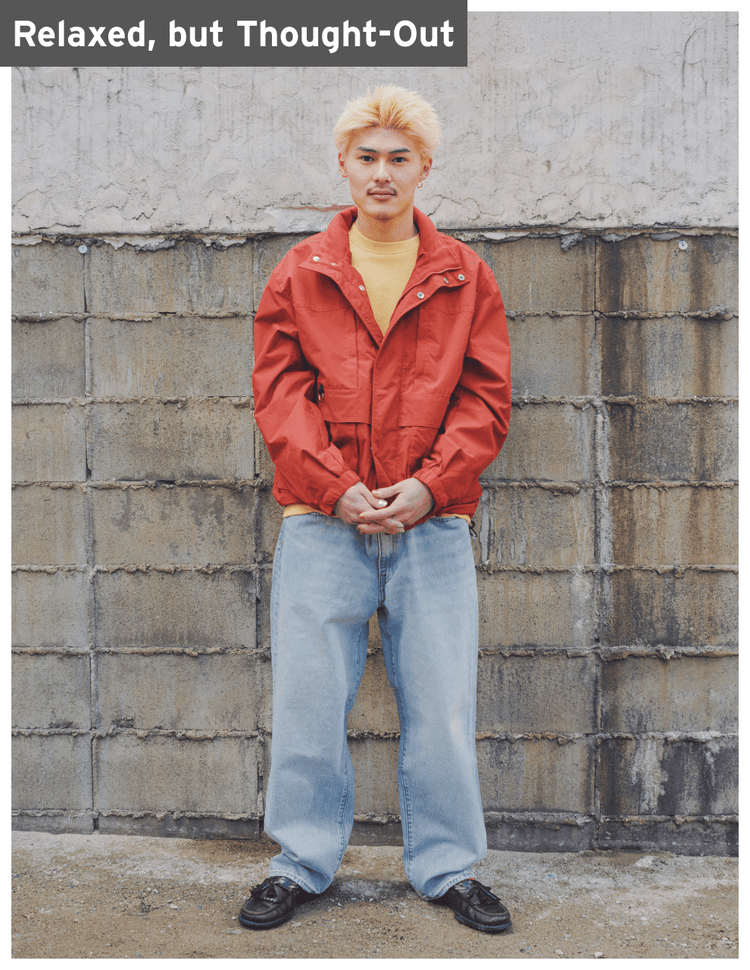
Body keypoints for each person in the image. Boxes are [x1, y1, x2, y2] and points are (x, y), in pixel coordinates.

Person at [240, 86, 512, 934]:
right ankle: (299, 862)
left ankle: (449, 868)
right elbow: (280, 397)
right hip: (323, 524)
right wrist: (335, 486)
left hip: (433, 526)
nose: (382, 173)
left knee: (443, 707)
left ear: (425, 167)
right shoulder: (301, 272)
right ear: (344, 164)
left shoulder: (465, 274)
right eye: (368, 157)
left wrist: (430, 485)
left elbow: (485, 398)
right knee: (308, 705)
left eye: (400, 158)